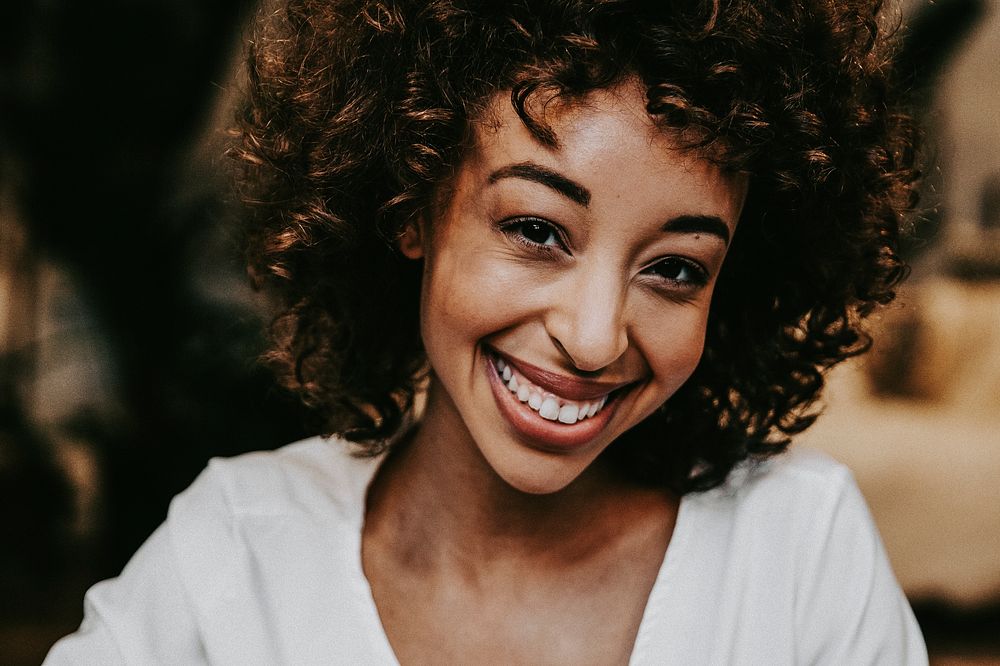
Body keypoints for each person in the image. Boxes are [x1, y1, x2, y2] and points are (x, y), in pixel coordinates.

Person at [46, 0, 928, 663]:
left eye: (675, 268)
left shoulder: (798, 551)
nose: (593, 338)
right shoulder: (235, 556)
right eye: (537, 230)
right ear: (412, 204)